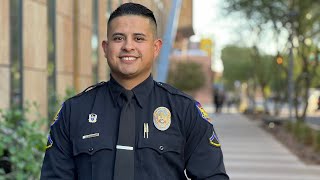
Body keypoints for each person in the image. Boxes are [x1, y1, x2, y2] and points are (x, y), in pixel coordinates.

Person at [40, 2, 229, 180]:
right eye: (118, 38)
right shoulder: (74, 111)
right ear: (105, 48)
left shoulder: (185, 111)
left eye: (138, 38)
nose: (128, 46)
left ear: (156, 48)